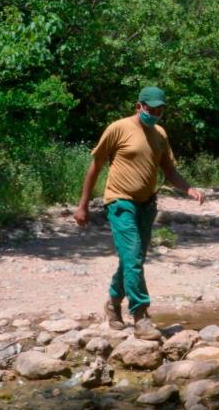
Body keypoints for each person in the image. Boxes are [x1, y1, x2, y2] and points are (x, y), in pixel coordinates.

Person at [74, 86, 203, 325]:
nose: (154, 113)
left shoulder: (160, 134)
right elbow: (96, 166)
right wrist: (82, 206)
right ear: (139, 106)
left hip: (147, 205)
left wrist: (188, 188)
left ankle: (113, 303)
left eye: (159, 110)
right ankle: (141, 316)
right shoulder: (118, 129)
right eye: (150, 108)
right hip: (120, 202)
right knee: (133, 257)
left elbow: (169, 170)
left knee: (133, 259)